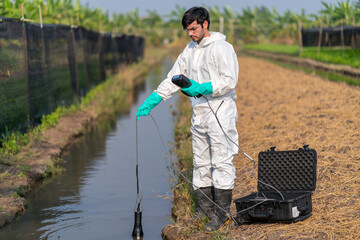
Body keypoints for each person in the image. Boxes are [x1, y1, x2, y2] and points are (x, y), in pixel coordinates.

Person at [136, 6, 239, 232]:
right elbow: (173, 78)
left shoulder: (222, 48)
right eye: (188, 31)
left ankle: (222, 216)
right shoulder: (190, 49)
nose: (191, 34)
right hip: (199, 112)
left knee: (221, 162)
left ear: (205, 24)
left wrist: (203, 87)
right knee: (200, 162)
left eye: (193, 29)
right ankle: (203, 211)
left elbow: (230, 80)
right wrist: (153, 99)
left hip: (220, 110)